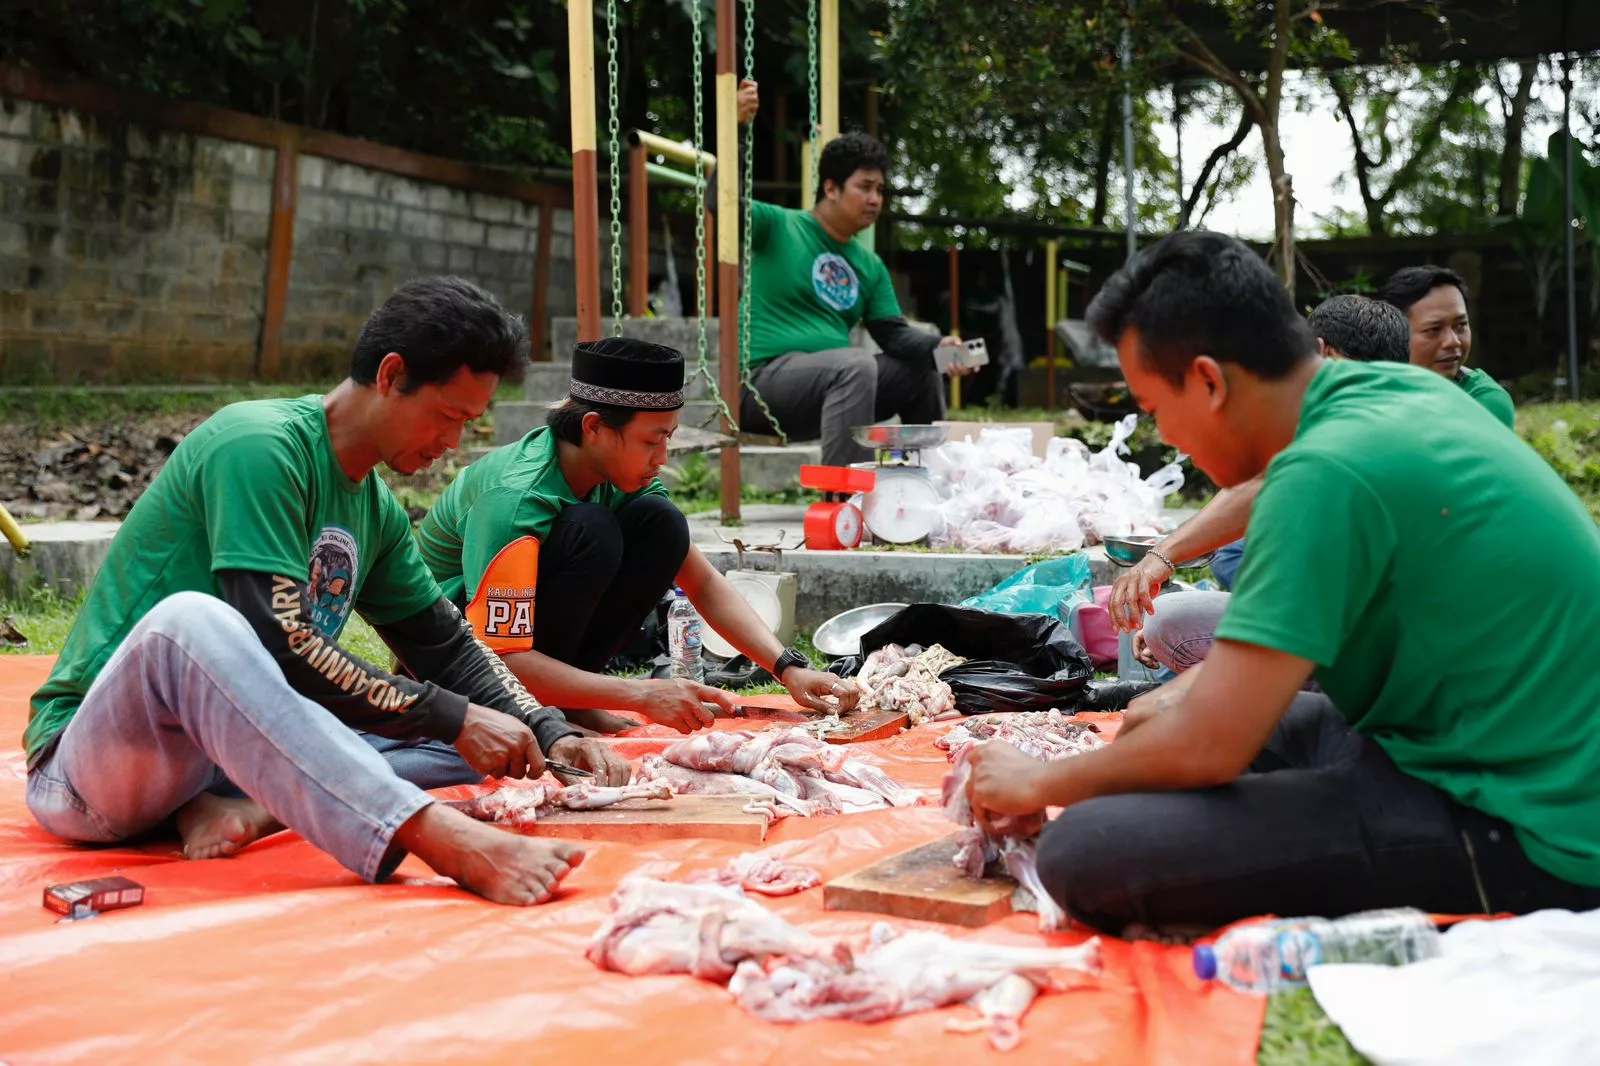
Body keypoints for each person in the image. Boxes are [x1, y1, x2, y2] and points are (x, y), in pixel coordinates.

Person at [966, 231, 1600, 936]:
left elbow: (1210, 748)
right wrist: (1172, 700)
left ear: (1208, 380)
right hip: (1450, 743)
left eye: (1154, 409)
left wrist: (1037, 780)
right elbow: (1260, 496)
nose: (1166, 436)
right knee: (1156, 723)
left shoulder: (1326, 474)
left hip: (1530, 825)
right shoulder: (1383, 394)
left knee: (1087, 850)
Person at [24, 276, 628, 907]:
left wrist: (544, 726)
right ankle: (433, 834)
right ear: (392, 376)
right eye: (448, 417)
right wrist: (450, 714)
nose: (452, 446)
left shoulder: (377, 509)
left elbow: (445, 644)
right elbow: (279, 640)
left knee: (494, 743)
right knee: (193, 621)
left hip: (227, 761)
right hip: (96, 773)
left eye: (468, 426)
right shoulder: (258, 446)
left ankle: (249, 806)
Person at [417, 336, 860, 739]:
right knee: (592, 530)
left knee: (661, 522)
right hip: (455, 666)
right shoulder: (514, 498)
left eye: (668, 438)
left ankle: (571, 701)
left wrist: (788, 668)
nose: (662, 458)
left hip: (513, 654)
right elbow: (499, 658)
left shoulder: (618, 475)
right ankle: (550, 709)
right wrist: (639, 694)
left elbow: (702, 582)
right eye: (652, 441)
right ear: (593, 428)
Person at [1117, 294, 1413, 675]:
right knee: (1178, 615)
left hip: (1386, 656)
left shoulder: (1352, 428)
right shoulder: (1403, 411)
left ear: (1320, 352)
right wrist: (1162, 558)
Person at [734, 82, 970, 467]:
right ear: (831, 187)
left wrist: (938, 348)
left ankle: (926, 486)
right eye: (865, 187)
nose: (876, 199)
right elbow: (721, 203)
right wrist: (738, 132)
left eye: (880, 189)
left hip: (838, 390)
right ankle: (843, 499)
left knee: (921, 368)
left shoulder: (868, 264)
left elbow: (893, 335)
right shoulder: (778, 226)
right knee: (855, 363)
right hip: (762, 387)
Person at [1378, 264, 1516, 429]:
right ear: (1394, 332)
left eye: (1461, 325)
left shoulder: (1483, 402)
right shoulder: (1367, 386)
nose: (1453, 341)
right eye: (1434, 329)